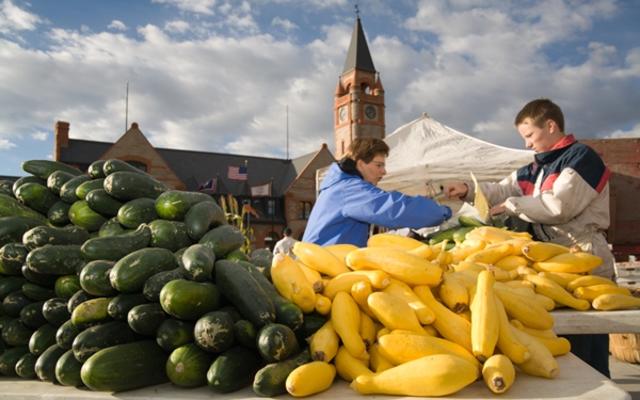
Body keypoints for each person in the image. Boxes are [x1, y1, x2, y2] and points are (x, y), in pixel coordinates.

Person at [445, 98, 614, 377]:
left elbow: (560, 206)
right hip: (549, 259)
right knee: (559, 339)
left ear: (551, 126)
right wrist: (466, 189)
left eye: (530, 135)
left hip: (584, 255)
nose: (527, 144)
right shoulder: (535, 167)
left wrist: (512, 205)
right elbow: (502, 189)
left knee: (588, 336)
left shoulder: (582, 158)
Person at [303, 137, 452, 247]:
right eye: (379, 165)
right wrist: (443, 212)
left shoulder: (341, 186)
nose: (384, 171)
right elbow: (394, 209)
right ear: (360, 164)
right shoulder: (348, 189)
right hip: (321, 273)